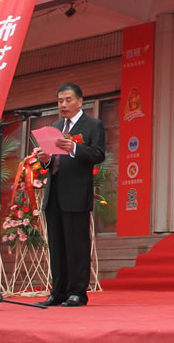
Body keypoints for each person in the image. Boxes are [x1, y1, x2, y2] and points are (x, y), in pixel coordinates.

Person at [36, 83, 106, 307]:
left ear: (80, 101)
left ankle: (77, 292)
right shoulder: (55, 126)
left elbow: (98, 154)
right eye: (60, 101)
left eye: (68, 100)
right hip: (54, 192)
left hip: (76, 193)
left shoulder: (92, 125)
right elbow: (53, 162)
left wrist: (74, 148)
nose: (63, 104)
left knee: (77, 245)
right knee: (56, 246)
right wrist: (45, 160)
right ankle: (58, 292)